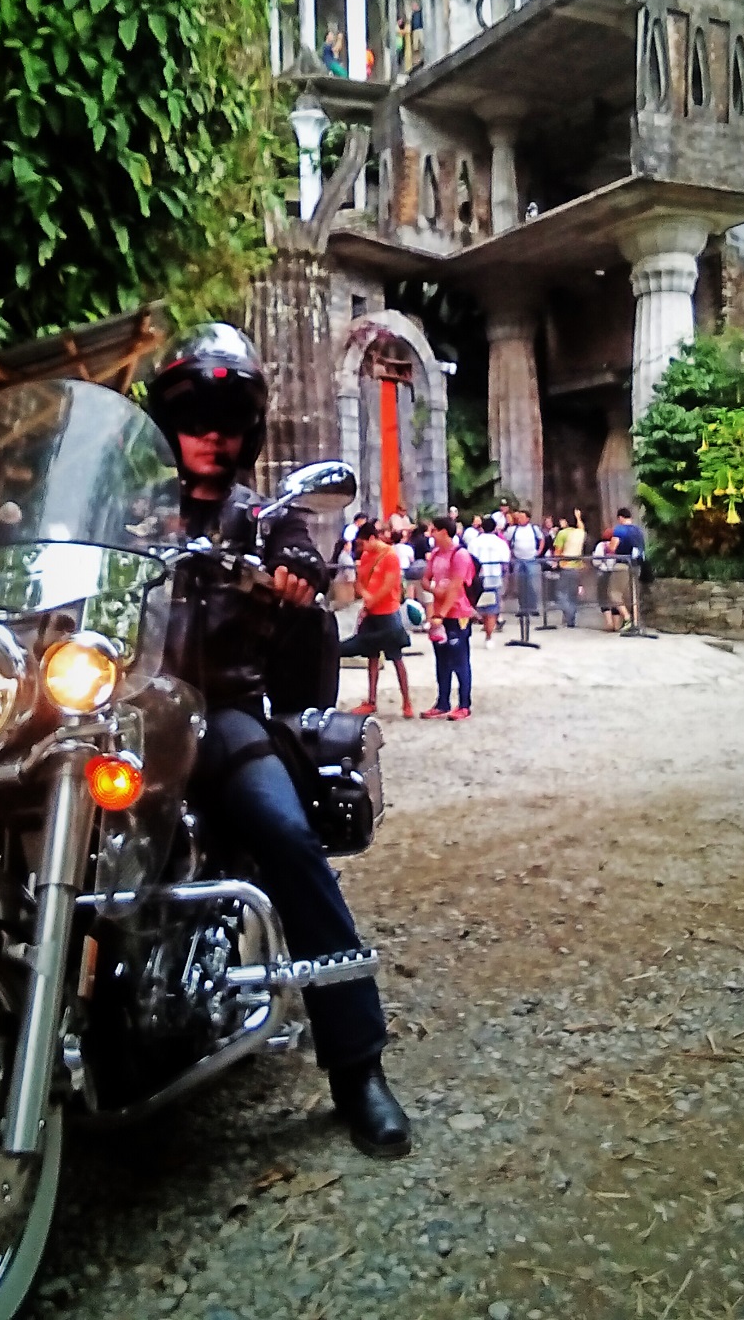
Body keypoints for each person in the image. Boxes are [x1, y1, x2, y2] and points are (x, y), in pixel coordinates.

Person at [146, 323, 410, 1158]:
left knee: (289, 835)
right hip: (103, 709)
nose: (212, 433)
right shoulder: (121, 515)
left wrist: (300, 595)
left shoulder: (264, 523)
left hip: (215, 715)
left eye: (229, 417)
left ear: (250, 432)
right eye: (195, 414)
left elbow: (309, 672)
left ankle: (358, 1064)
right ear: (165, 424)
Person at [339, 522, 414, 720]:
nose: (361, 548)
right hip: (371, 611)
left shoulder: (390, 556)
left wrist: (369, 598)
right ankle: (371, 700)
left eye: (363, 543)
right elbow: (360, 583)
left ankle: (407, 701)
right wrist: (367, 599)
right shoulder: (365, 557)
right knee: (371, 655)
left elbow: (389, 585)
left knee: (396, 657)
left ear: (372, 538)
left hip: (388, 611)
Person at [421, 515, 474, 719]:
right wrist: (436, 591)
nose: (431, 534)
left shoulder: (460, 555)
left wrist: (441, 614)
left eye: (434, 530)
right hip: (439, 611)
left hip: (456, 613)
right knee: (441, 659)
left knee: (459, 659)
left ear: (444, 532)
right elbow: (426, 579)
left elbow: (455, 587)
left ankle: (464, 704)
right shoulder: (435, 554)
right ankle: (442, 701)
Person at [470, 515, 511, 647]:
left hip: (478, 577)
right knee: (492, 608)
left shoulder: (474, 542)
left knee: (476, 604)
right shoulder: (500, 543)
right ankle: (489, 636)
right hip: (494, 576)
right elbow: (505, 562)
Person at [611, 506, 647, 633]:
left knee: (614, 593)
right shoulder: (638, 530)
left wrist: (609, 547)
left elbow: (612, 547)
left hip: (622, 564)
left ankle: (627, 618)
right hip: (636, 565)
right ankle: (636, 622)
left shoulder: (620, 529)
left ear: (620, 518)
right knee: (632, 594)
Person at [506, 507, 543, 619]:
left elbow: (541, 539)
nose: (520, 519)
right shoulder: (513, 530)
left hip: (531, 559)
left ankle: (533, 607)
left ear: (528, 518)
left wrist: (538, 552)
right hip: (519, 559)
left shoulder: (534, 529)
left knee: (532, 583)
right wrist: (511, 553)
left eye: (522, 517)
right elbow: (507, 541)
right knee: (521, 585)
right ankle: (523, 607)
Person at [553, 510, 587, 629]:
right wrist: (578, 517)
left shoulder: (562, 534)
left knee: (561, 593)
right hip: (577, 566)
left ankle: (569, 613)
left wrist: (555, 562)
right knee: (572, 595)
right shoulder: (580, 533)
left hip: (565, 566)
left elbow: (557, 551)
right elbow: (581, 526)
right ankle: (571, 619)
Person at [593, 529, 621, 632]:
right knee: (614, 597)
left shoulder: (602, 545)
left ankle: (609, 623)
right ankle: (617, 624)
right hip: (615, 573)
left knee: (603, 597)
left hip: (604, 573)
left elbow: (596, 561)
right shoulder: (618, 544)